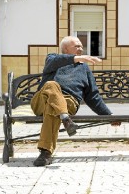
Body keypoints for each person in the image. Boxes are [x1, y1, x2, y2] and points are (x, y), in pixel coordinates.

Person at [31, 36, 117, 166]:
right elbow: (55, 62)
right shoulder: (52, 58)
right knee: (51, 85)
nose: (81, 49)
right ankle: (65, 118)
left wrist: (108, 115)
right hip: (41, 100)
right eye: (77, 46)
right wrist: (77, 59)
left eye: (81, 46)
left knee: (52, 108)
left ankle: (45, 153)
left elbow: (93, 96)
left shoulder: (84, 69)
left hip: (68, 102)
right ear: (65, 49)